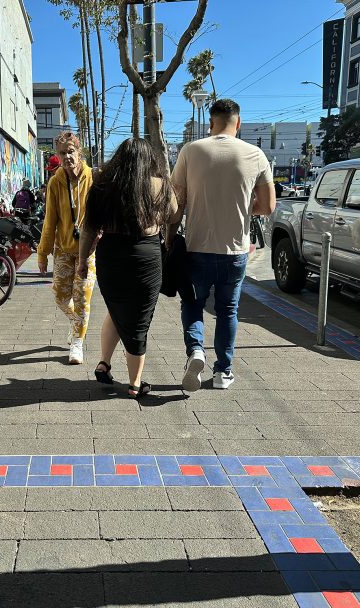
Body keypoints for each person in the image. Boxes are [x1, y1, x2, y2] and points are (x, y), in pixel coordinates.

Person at [170, 98, 276, 392]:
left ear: (211, 123)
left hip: (196, 248)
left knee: (192, 305)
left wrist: (168, 237)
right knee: (228, 310)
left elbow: (175, 202)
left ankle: (196, 351)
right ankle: (222, 372)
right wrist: (244, 208)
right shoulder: (255, 154)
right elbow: (268, 206)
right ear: (238, 123)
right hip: (235, 252)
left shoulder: (191, 151)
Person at [79, 138, 179, 398]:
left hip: (110, 256)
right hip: (145, 256)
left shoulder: (102, 185)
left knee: (116, 310)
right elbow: (174, 213)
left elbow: (89, 228)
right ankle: (135, 384)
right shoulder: (160, 185)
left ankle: (104, 362)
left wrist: (81, 262)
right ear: (150, 161)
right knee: (138, 320)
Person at [37, 132, 95, 365]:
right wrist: (42, 253)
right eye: (62, 153)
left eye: (71, 151)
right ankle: (77, 323)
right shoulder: (55, 182)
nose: (67, 156)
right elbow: (49, 220)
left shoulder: (93, 178)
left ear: (79, 152)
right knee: (61, 297)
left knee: (82, 298)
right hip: (63, 249)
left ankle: (77, 343)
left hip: (88, 251)